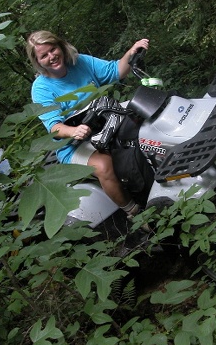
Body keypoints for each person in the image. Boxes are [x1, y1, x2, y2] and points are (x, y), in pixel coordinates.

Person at [26, 31, 149, 219]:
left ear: (60, 46)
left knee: (145, 126)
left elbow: (114, 71)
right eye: (44, 55)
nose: (52, 57)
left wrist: (131, 52)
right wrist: (74, 131)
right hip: (74, 142)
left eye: (53, 49)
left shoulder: (79, 61)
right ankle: (136, 213)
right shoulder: (41, 88)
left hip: (105, 124)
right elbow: (54, 128)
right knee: (103, 165)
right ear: (37, 61)